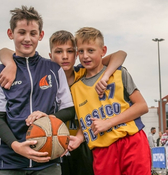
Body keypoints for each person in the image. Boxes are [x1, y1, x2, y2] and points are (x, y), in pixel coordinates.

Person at [0, 30, 127, 175]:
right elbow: (5, 51)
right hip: (52, 145)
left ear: (76, 54)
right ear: (50, 56)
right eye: (59, 52)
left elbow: (120, 54)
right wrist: (10, 63)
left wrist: (106, 76)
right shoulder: (45, 76)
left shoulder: (84, 73)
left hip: (80, 142)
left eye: (70, 51)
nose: (65, 56)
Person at [0, 6, 75, 174]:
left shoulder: (54, 69)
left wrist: (49, 117)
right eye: (22, 32)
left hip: (48, 161)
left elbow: (69, 110)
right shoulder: (2, 72)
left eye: (33, 33)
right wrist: (16, 146)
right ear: (10, 34)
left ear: (40, 35)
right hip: (11, 162)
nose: (27, 39)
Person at [68, 27, 151, 175]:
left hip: (131, 140)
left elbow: (142, 106)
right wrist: (79, 139)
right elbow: (84, 123)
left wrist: (108, 123)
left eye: (91, 50)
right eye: (81, 51)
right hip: (102, 150)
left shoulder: (118, 73)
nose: (85, 56)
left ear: (103, 50)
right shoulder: (75, 88)